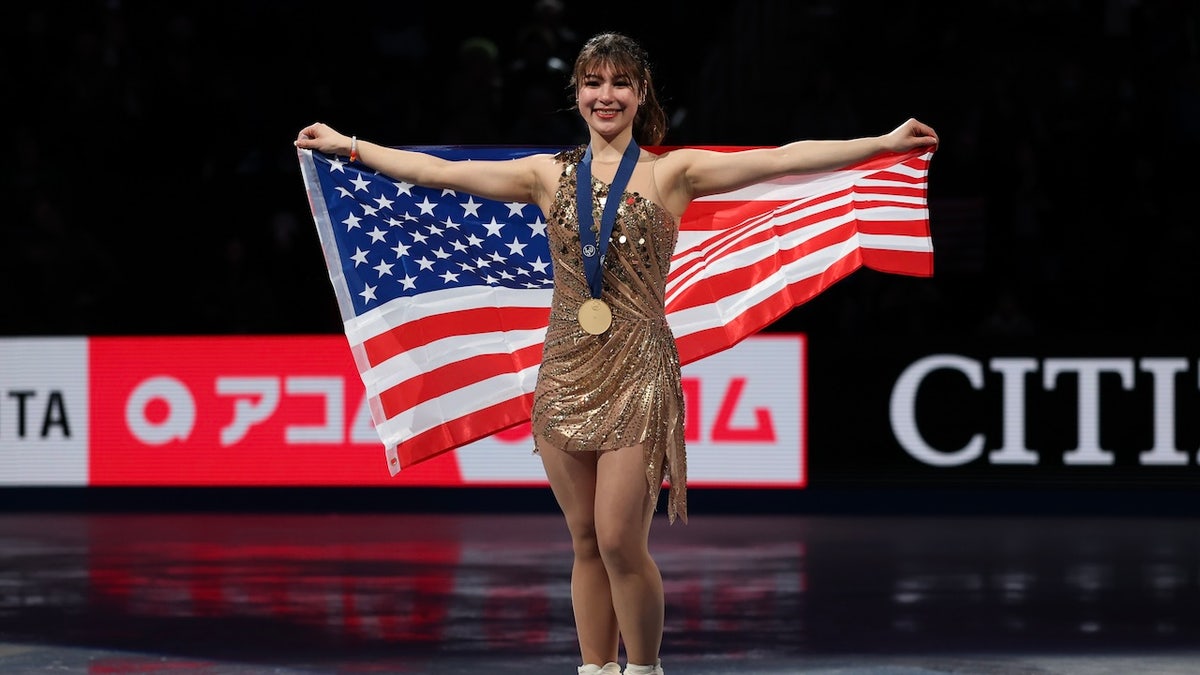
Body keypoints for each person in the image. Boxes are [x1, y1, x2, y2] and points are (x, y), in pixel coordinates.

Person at [296, 31, 938, 675]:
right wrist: (349, 147)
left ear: (641, 94)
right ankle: (595, 668)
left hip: (637, 370)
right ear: (576, 94)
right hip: (564, 371)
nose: (606, 96)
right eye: (593, 83)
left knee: (619, 541)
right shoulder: (544, 174)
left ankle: (644, 669)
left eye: (620, 83)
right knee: (582, 542)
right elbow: (437, 171)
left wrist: (882, 143)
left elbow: (784, 158)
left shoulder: (673, 172)